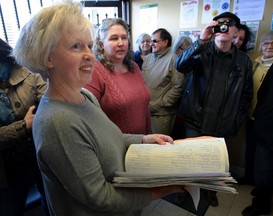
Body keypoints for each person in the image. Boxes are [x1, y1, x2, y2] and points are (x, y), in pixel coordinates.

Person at [13, 2, 184, 215]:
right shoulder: (58, 122)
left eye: (88, 45)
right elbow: (100, 197)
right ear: (48, 58)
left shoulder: (83, 96)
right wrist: (158, 191)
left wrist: (142, 139)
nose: (91, 56)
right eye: (76, 46)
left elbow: (111, 138)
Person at [174, 12, 253, 207]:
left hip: (222, 124)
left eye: (229, 25)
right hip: (195, 119)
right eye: (220, 24)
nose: (224, 27)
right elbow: (180, 65)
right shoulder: (201, 51)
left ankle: (209, 192)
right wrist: (200, 40)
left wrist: (235, 122)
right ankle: (186, 190)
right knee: (190, 160)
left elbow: (246, 95)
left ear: (235, 31)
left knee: (213, 163)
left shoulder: (243, 61)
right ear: (214, 29)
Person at [0, 39, 48, 215]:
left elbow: (50, 101)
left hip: (37, 151)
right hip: (6, 166)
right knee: (10, 207)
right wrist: (23, 125)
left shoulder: (27, 71)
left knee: (50, 201)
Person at [84, 18, 151, 134]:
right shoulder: (95, 71)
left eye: (124, 38)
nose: (121, 43)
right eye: (114, 38)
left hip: (143, 142)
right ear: (101, 44)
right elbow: (90, 119)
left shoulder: (133, 67)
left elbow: (144, 108)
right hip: (116, 146)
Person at [237, 30, 273, 186]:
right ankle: (250, 178)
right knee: (251, 151)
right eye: (266, 43)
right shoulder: (256, 63)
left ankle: (261, 187)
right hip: (252, 118)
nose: (269, 46)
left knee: (267, 161)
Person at [242, 52, 273, 216]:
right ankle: (260, 206)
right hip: (268, 132)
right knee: (263, 176)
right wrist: (262, 117)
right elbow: (264, 92)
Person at [141, 28, 185, 135]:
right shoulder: (148, 58)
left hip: (161, 114)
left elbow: (178, 87)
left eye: (154, 41)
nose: (151, 44)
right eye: (151, 41)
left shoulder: (174, 60)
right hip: (145, 112)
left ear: (165, 42)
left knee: (159, 147)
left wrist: (160, 104)